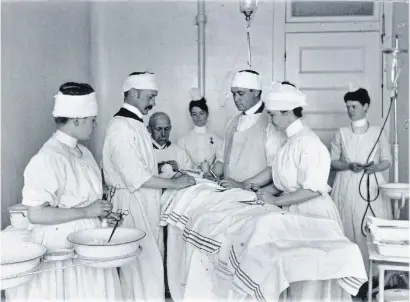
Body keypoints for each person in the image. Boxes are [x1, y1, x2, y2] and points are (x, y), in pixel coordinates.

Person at [6, 82, 123, 301]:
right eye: (92, 119)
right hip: (61, 246)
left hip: (88, 241)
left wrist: (100, 213)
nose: (96, 124)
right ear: (77, 119)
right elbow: (36, 214)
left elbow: (84, 200)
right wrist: (88, 212)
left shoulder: (84, 154)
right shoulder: (47, 158)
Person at [102, 72, 196, 301]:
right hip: (132, 203)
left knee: (150, 266)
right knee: (140, 270)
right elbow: (137, 177)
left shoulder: (135, 125)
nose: (153, 103)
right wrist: (174, 183)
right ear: (133, 93)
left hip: (145, 201)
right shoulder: (121, 127)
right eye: (150, 97)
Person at [253, 81, 348, 301]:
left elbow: (313, 188)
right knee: (295, 278)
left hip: (313, 216)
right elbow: (284, 182)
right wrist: (254, 191)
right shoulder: (289, 141)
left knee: (311, 283)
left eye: (273, 115)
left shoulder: (308, 142)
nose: (270, 119)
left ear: (287, 113)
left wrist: (276, 202)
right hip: (294, 213)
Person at [330, 87, 392, 272]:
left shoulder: (377, 132)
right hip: (346, 186)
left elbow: (387, 161)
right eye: (348, 106)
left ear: (365, 106)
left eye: (354, 106)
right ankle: (350, 274)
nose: (350, 110)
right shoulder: (341, 133)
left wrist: (374, 168)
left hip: (371, 186)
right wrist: (349, 166)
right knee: (348, 227)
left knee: (369, 229)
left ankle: (373, 275)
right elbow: (333, 162)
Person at [209, 70, 285, 188]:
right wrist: (212, 173)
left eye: (240, 93)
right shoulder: (232, 123)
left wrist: (242, 185)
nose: (236, 98)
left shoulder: (271, 121)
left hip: (256, 195)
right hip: (230, 192)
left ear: (255, 92)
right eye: (233, 93)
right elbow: (222, 159)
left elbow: (273, 168)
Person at [177, 88, 223, 172]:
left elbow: (220, 159)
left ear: (207, 114)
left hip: (211, 178)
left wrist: (211, 171)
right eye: (194, 114)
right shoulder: (182, 140)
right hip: (191, 177)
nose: (198, 117)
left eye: (201, 113)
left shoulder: (216, 139)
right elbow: (182, 163)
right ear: (191, 115)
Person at [148, 112, 193, 176]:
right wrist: (156, 170)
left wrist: (178, 169)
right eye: (158, 129)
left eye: (166, 129)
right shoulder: (142, 150)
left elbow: (190, 176)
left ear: (170, 128)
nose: (163, 134)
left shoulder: (179, 152)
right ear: (149, 129)